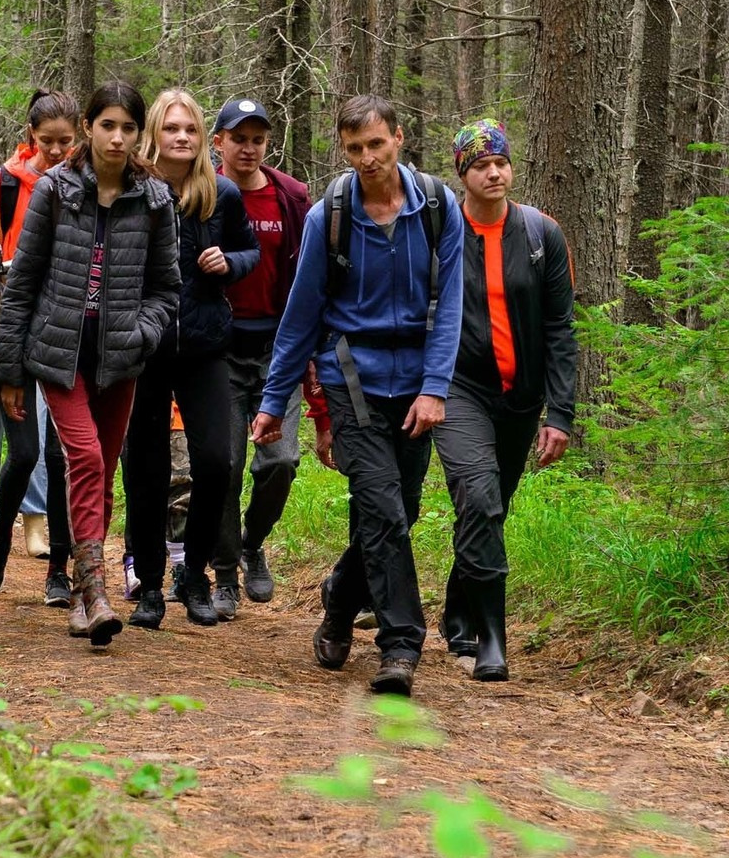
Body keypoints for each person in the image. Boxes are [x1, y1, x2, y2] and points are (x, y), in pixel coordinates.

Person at [250, 95, 464, 696]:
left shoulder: (439, 208)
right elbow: (301, 315)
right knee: (385, 510)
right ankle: (400, 644)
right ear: (343, 150)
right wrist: (273, 401)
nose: (368, 158)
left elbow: (449, 307)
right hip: (351, 379)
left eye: (377, 144)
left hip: (417, 382)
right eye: (355, 149)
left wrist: (436, 389)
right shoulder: (330, 216)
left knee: (400, 512)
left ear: (398, 138)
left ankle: (341, 599)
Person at [0, 79, 181, 646]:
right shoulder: (56, 190)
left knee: (99, 468)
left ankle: (80, 590)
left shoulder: (153, 200)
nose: (118, 138)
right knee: (85, 457)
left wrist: (140, 333)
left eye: (128, 127)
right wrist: (9, 370)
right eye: (108, 126)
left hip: (119, 358)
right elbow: (22, 281)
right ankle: (97, 587)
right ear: (88, 129)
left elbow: (167, 289)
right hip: (59, 354)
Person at [437, 120, 578, 681]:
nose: (493, 173)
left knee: (488, 507)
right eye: (480, 165)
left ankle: (457, 608)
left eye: (500, 162)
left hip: (521, 398)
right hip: (458, 388)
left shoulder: (543, 234)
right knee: (480, 495)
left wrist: (559, 413)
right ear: (462, 175)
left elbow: (560, 329)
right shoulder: (443, 233)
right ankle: (491, 637)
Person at [122, 90, 258, 628]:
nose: (182, 137)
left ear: (203, 139)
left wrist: (229, 261)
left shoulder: (220, 195)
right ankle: (151, 585)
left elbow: (250, 251)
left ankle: (194, 575)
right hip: (146, 350)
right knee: (146, 469)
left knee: (217, 463)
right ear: (154, 133)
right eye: (172, 128)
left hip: (205, 347)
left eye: (191, 130)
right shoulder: (133, 192)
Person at [209, 98, 320, 613]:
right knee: (227, 466)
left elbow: (308, 274)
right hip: (222, 349)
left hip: (279, 350)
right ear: (219, 144)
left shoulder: (291, 197)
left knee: (281, 461)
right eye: (238, 138)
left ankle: (252, 542)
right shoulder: (205, 195)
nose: (248, 148)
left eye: (257, 139)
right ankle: (226, 571)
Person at [0, 91, 84, 601]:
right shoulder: (3, 185)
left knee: (64, 457)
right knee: (23, 452)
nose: (59, 151)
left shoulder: (87, 184)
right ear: (30, 135)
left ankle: (58, 569)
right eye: (48, 142)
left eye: (67, 141)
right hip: (14, 332)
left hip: (68, 335)